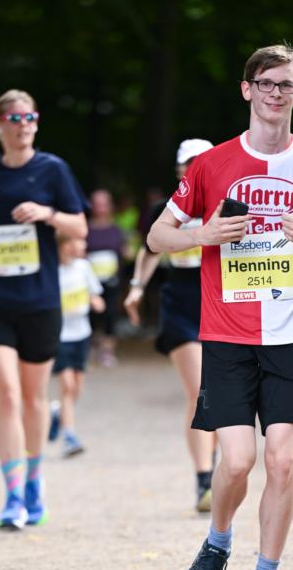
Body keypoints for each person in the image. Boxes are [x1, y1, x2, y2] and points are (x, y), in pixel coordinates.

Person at [148, 43, 293, 570]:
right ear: (247, 90)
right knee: (239, 460)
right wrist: (204, 235)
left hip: (291, 334)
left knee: (283, 461)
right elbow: (155, 238)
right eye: (265, 83)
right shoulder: (210, 165)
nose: (275, 93)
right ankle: (217, 541)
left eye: (285, 85)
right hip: (226, 333)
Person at [0, 89, 88, 530]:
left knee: (35, 399)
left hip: (39, 300)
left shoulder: (52, 169)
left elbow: (79, 225)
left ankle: (34, 482)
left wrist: (46, 213)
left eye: (30, 116)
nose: (24, 124)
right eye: (14, 118)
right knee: (8, 395)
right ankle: (12, 495)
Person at [124, 138, 218, 513]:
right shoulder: (168, 209)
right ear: (180, 170)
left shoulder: (228, 205)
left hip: (219, 297)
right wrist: (135, 288)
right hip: (180, 299)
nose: (195, 168)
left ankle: (226, 469)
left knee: (224, 393)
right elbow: (149, 251)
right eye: (189, 163)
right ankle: (204, 480)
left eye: (202, 162)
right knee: (198, 392)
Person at [50, 236, 105, 457]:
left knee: (77, 389)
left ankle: (57, 413)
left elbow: (95, 293)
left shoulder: (83, 267)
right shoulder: (51, 271)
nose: (80, 246)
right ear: (63, 245)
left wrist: (96, 302)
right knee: (68, 386)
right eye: (74, 243)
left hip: (81, 334)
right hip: (59, 335)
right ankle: (69, 437)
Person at [86, 189, 125, 367]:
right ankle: (93, 346)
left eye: (104, 204)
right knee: (91, 316)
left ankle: (107, 350)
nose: (100, 208)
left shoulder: (117, 230)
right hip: (90, 282)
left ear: (110, 206)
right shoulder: (85, 228)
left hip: (112, 281)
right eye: (97, 204)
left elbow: (125, 253)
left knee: (111, 315)